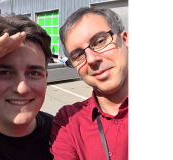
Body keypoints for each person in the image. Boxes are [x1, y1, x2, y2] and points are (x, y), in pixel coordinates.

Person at [50, 7, 129, 160]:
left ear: (125, 40)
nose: (92, 59)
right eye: (79, 55)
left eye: (100, 41)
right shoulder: (69, 121)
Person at [0, 13, 54, 160]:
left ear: (45, 78)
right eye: (4, 72)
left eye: (34, 73)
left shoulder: (62, 133)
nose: (22, 88)